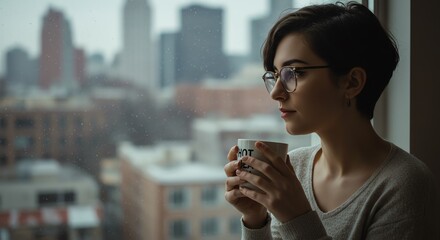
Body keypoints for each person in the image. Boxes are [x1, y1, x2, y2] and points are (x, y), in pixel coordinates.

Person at [224, 2, 438, 239]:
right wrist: (256, 219)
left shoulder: (403, 184)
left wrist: (296, 217)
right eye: (275, 75)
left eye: (294, 73)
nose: (275, 92)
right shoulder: (294, 167)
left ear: (352, 82)